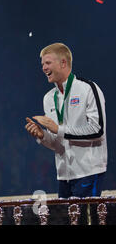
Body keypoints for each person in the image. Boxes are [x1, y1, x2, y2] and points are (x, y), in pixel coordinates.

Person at [25, 43, 107, 198]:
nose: (43, 68)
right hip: (63, 175)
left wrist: (59, 129)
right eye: (42, 64)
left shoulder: (88, 89)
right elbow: (57, 143)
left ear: (63, 63)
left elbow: (98, 130)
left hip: (89, 172)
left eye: (48, 63)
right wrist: (42, 136)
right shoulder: (48, 98)